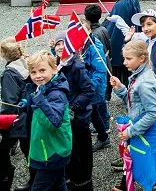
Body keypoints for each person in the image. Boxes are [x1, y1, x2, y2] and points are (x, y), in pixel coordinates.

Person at [109, 40, 156, 190]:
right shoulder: (139, 75)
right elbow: (134, 102)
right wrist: (121, 88)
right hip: (144, 129)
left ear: (141, 58)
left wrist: (130, 131)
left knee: (148, 161)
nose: (124, 62)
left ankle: (125, 187)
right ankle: (126, 186)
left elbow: (153, 113)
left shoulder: (144, 82)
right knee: (146, 160)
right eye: (124, 58)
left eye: (128, 59)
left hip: (148, 131)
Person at [51, 35, 95, 191]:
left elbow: (88, 90)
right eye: (57, 44)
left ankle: (83, 186)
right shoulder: (57, 64)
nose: (60, 47)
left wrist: (72, 107)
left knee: (79, 158)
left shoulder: (77, 66)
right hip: (64, 120)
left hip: (77, 120)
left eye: (64, 43)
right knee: (67, 157)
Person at [25, 50, 72, 191]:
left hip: (51, 152)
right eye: (33, 72)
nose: (38, 76)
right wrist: (26, 102)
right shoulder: (44, 88)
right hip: (51, 149)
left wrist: (39, 101)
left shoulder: (56, 94)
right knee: (59, 184)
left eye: (42, 70)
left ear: (54, 69)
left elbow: (54, 122)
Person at [104, 0, 141, 104]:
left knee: (115, 67)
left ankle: (109, 95)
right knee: (130, 68)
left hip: (120, 38)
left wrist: (104, 31)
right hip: (133, 36)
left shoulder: (120, 4)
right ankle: (131, 94)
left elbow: (112, 24)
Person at [0, 39, 30, 191]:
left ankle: (6, 179)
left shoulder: (9, 73)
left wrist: (3, 125)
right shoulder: (25, 63)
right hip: (29, 114)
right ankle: (34, 179)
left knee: (4, 151)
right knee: (29, 149)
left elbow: (9, 102)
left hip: (18, 119)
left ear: (4, 55)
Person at [84, 4, 111, 133]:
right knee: (102, 99)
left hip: (99, 68)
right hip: (106, 63)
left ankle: (104, 125)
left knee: (100, 101)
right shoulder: (104, 29)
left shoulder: (93, 36)